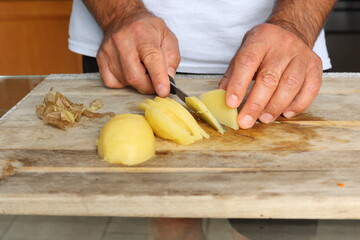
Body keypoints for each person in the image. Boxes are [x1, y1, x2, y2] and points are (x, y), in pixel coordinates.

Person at [69, 1, 336, 239]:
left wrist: (295, 24)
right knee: (170, 224)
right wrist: (119, 13)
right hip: (130, 46)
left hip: (285, 54)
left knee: (273, 228)